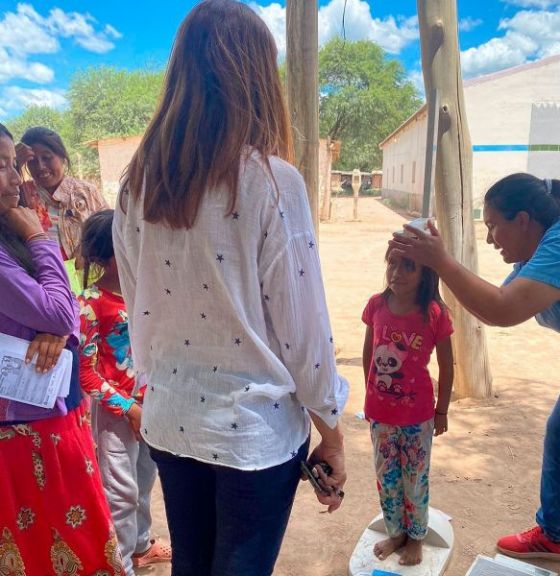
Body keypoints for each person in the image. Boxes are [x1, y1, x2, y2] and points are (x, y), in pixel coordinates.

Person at [112, 1, 348, 575]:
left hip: (170, 421)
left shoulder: (136, 185)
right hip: (253, 437)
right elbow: (303, 334)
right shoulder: (272, 181)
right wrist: (333, 434)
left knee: (192, 566)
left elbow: (135, 300)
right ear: (258, 77)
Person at [390, 173, 560, 560]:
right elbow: (493, 300)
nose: (488, 239)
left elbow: (500, 309)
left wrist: (440, 260)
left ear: (522, 220)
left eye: (493, 226)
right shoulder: (534, 256)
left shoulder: (558, 243)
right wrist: (437, 261)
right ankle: (555, 534)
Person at [0, 123, 123, 574]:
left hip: (46, 415)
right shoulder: (22, 229)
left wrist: (60, 321)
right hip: (27, 428)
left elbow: (62, 311)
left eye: (16, 164)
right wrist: (38, 235)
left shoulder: (76, 197)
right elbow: (58, 311)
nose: (17, 178)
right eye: (3, 167)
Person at [78, 209, 172, 574]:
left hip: (153, 407)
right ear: (104, 257)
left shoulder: (149, 297)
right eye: (126, 244)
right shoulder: (89, 304)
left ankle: (139, 546)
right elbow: (86, 374)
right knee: (120, 494)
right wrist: (130, 410)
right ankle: (121, 566)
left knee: (145, 482)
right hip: (116, 415)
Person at [362, 246, 454, 566]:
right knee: (387, 478)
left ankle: (416, 536)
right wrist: (370, 395)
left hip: (418, 418)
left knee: (415, 479)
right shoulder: (376, 305)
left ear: (426, 272)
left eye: (408, 266)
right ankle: (396, 533)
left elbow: (447, 365)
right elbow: (369, 354)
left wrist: (442, 410)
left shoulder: (434, 313)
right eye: (392, 263)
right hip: (381, 416)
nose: (396, 272)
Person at [16, 126, 108, 291]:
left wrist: (87, 245)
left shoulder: (86, 192)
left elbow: (109, 231)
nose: (41, 166)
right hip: (45, 284)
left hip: (90, 280)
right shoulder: (20, 194)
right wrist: (15, 165)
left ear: (63, 158)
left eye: (47, 158)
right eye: (32, 161)